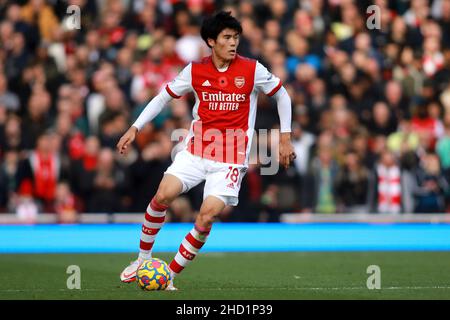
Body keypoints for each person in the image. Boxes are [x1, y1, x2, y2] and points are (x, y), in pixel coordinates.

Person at [116, 11, 296, 290]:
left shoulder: (252, 69)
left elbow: (282, 95)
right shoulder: (195, 70)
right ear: (211, 41)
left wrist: (285, 138)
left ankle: (170, 275)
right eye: (226, 37)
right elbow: (163, 96)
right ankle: (142, 259)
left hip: (231, 160)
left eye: (236, 37)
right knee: (162, 195)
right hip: (196, 151)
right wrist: (135, 127)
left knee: (207, 215)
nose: (233, 43)